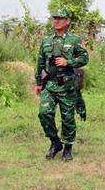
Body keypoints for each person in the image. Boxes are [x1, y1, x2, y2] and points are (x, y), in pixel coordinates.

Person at [35, 8, 89, 161]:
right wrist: (38, 82)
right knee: (44, 113)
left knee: (68, 118)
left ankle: (68, 148)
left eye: (60, 18)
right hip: (50, 85)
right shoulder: (46, 39)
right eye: (55, 18)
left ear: (67, 21)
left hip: (67, 85)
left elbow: (84, 58)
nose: (56, 21)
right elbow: (40, 62)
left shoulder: (75, 39)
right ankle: (55, 142)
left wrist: (68, 62)